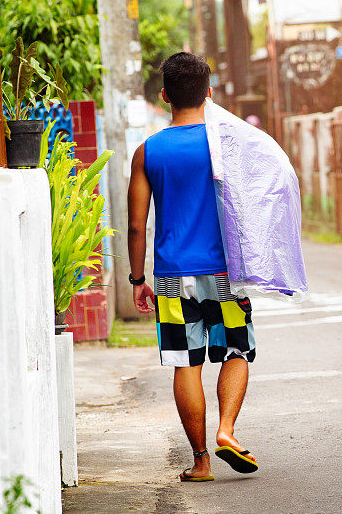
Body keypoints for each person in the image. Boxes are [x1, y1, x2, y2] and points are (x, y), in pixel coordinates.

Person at [127, 52, 259, 482]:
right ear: (209, 92)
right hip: (225, 273)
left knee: (187, 363)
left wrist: (137, 279)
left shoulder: (148, 151)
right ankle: (226, 430)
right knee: (236, 350)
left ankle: (201, 462)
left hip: (171, 275)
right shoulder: (228, 145)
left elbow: (135, 223)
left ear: (164, 95)